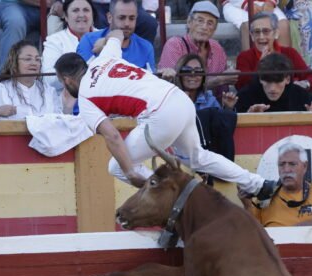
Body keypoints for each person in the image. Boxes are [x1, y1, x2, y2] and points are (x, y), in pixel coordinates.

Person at [54, 30, 279, 198]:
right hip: (179, 98)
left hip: (159, 114)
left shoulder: (84, 99)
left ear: (67, 80)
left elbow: (112, 137)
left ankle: (175, 197)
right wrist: (103, 42)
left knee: (116, 166)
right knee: (198, 157)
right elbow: (117, 32)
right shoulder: (105, 57)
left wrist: (131, 172)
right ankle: (258, 184)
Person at [157, 1, 236, 92]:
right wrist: (217, 81)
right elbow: (172, 85)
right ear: (189, 22)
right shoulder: (175, 45)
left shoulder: (217, 48)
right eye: (200, 21)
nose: (204, 27)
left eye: (210, 23)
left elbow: (222, 91)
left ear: (214, 30)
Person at [174, 53, 238, 160]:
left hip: (206, 155)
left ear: (203, 76)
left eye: (198, 71)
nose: (193, 75)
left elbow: (219, 130)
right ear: (179, 74)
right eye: (187, 70)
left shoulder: (210, 99)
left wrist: (227, 108)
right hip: (178, 154)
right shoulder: (171, 97)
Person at [0, 40, 63, 120]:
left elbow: (59, 124)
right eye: (28, 59)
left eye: (37, 59)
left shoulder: (49, 92)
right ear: (14, 63)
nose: (34, 63)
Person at [235, 12, 312, 92]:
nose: (261, 36)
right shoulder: (244, 57)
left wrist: (305, 84)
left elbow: (311, 77)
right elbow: (241, 85)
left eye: (266, 31)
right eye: (256, 32)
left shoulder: (289, 53)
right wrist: (260, 66)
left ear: (276, 33)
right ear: (252, 36)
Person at [76, 0, 154, 71]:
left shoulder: (145, 47)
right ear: (109, 18)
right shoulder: (89, 41)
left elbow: (151, 82)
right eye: (121, 18)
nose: (127, 23)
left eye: (131, 18)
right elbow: (83, 79)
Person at [235, 53, 312, 113]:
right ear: (260, 79)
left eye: (278, 82)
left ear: (287, 79)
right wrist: (247, 116)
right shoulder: (244, 97)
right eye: (268, 82)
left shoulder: (303, 97)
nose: (272, 88)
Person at [42, 0, 95, 91]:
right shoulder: (54, 41)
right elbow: (49, 80)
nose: (81, 15)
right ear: (66, 17)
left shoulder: (105, 36)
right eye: (75, 10)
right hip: (68, 99)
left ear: (92, 15)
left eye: (86, 10)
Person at [222, 0, 291, 51]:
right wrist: (246, 4)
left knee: (283, 25)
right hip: (235, 4)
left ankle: (284, 67)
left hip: (265, 2)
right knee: (249, 26)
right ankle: (251, 68)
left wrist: (271, 2)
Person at [90, 0, 157, 44]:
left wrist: (150, 7)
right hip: (96, 4)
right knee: (100, 25)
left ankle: (141, 58)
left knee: (149, 23)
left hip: (128, 3)